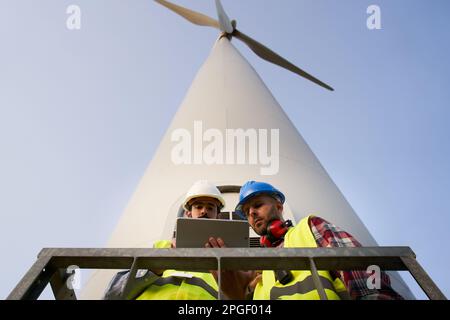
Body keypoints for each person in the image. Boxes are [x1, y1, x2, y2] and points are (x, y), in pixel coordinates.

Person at [206, 181, 404, 300]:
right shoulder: (259, 267)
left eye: (258, 205)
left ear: (279, 206)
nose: (252, 213)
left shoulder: (310, 228)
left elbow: (364, 270)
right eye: (248, 212)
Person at [104, 180, 225, 300]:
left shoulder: (225, 255)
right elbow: (113, 295)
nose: (204, 211)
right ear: (188, 214)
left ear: (218, 217)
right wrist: (155, 267)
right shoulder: (160, 247)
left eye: (210, 207)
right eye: (198, 207)